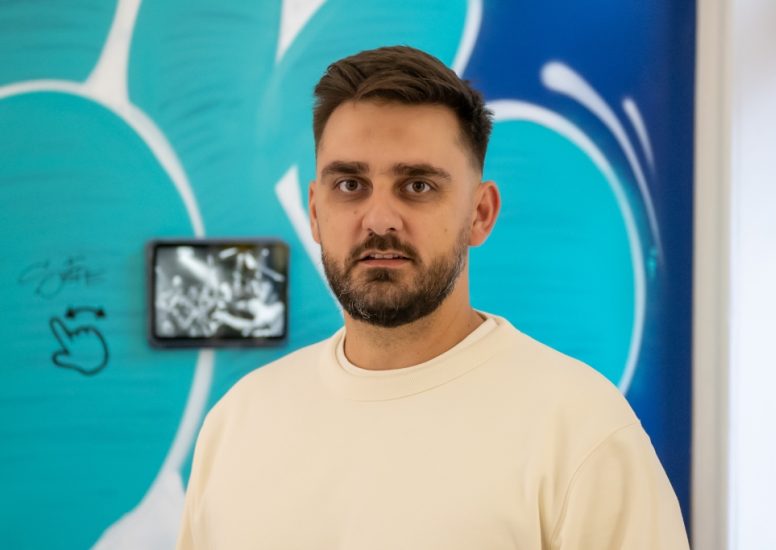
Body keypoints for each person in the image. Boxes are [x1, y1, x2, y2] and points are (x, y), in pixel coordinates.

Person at [177, 45, 689, 549]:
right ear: (315, 212)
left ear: (480, 214)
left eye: (417, 186)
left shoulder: (581, 431)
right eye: (350, 184)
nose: (379, 220)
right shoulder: (238, 423)